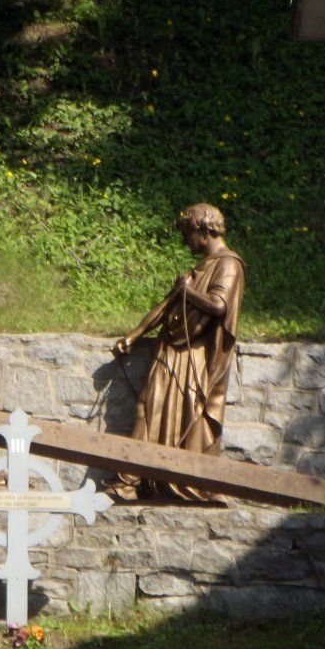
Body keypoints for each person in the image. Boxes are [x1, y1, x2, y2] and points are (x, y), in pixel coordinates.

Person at [105, 203, 245, 501]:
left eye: (188, 235)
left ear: (203, 230)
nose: (186, 242)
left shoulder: (228, 265)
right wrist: (134, 335)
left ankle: (181, 479)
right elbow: (166, 306)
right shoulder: (201, 267)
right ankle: (133, 479)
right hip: (172, 349)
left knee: (180, 414)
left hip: (193, 357)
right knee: (147, 407)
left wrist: (188, 291)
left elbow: (219, 306)